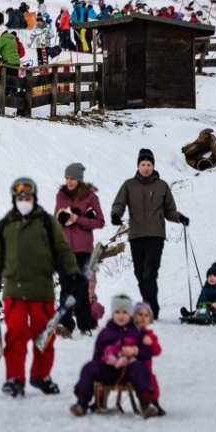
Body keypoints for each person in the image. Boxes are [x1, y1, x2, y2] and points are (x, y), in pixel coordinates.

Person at [0, 178, 89, 398]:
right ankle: (15, 378)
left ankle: (40, 376)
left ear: (34, 198)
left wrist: (73, 274)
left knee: (45, 336)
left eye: (28, 197)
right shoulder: (5, 225)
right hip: (14, 291)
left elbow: (62, 250)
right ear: (15, 199)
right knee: (16, 334)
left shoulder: (46, 222)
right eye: (20, 197)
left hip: (42, 290)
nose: (24, 200)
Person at [109, 149, 188, 321]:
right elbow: (119, 203)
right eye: (143, 164)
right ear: (138, 166)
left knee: (149, 273)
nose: (146, 168)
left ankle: (151, 309)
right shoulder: (129, 185)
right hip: (136, 235)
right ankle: (149, 304)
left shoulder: (162, 186)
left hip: (155, 235)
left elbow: (170, 211)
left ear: (153, 166)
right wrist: (116, 215)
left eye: (149, 164)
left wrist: (179, 217)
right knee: (139, 273)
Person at [69, 297, 160, 418]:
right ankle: (82, 403)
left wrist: (135, 350)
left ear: (130, 315)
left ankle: (146, 404)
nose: (121, 316)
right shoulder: (106, 333)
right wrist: (106, 359)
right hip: (108, 370)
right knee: (88, 368)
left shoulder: (137, 332)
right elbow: (97, 354)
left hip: (128, 371)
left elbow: (147, 352)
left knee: (139, 368)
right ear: (113, 314)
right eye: (118, 312)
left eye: (125, 312)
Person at [53, 163, 106, 333]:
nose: (69, 181)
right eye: (67, 178)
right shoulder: (61, 196)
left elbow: (99, 222)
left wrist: (78, 219)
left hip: (83, 249)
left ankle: (85, 325)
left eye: (72, 178)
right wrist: (62, 218)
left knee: (82, 289)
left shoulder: (91, 197)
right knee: (66, 287)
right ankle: (66, 324)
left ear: (79, 179)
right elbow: (57, 218)